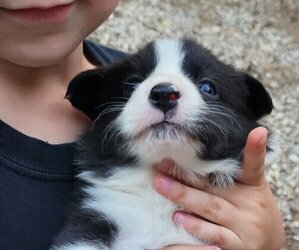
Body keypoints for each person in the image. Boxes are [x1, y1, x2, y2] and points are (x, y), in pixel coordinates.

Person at [0, 1, 285, 250]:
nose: (165, 93)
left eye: (207, 88)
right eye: (133, 85)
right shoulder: (107, 209)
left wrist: (268, 239)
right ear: (95, 112)